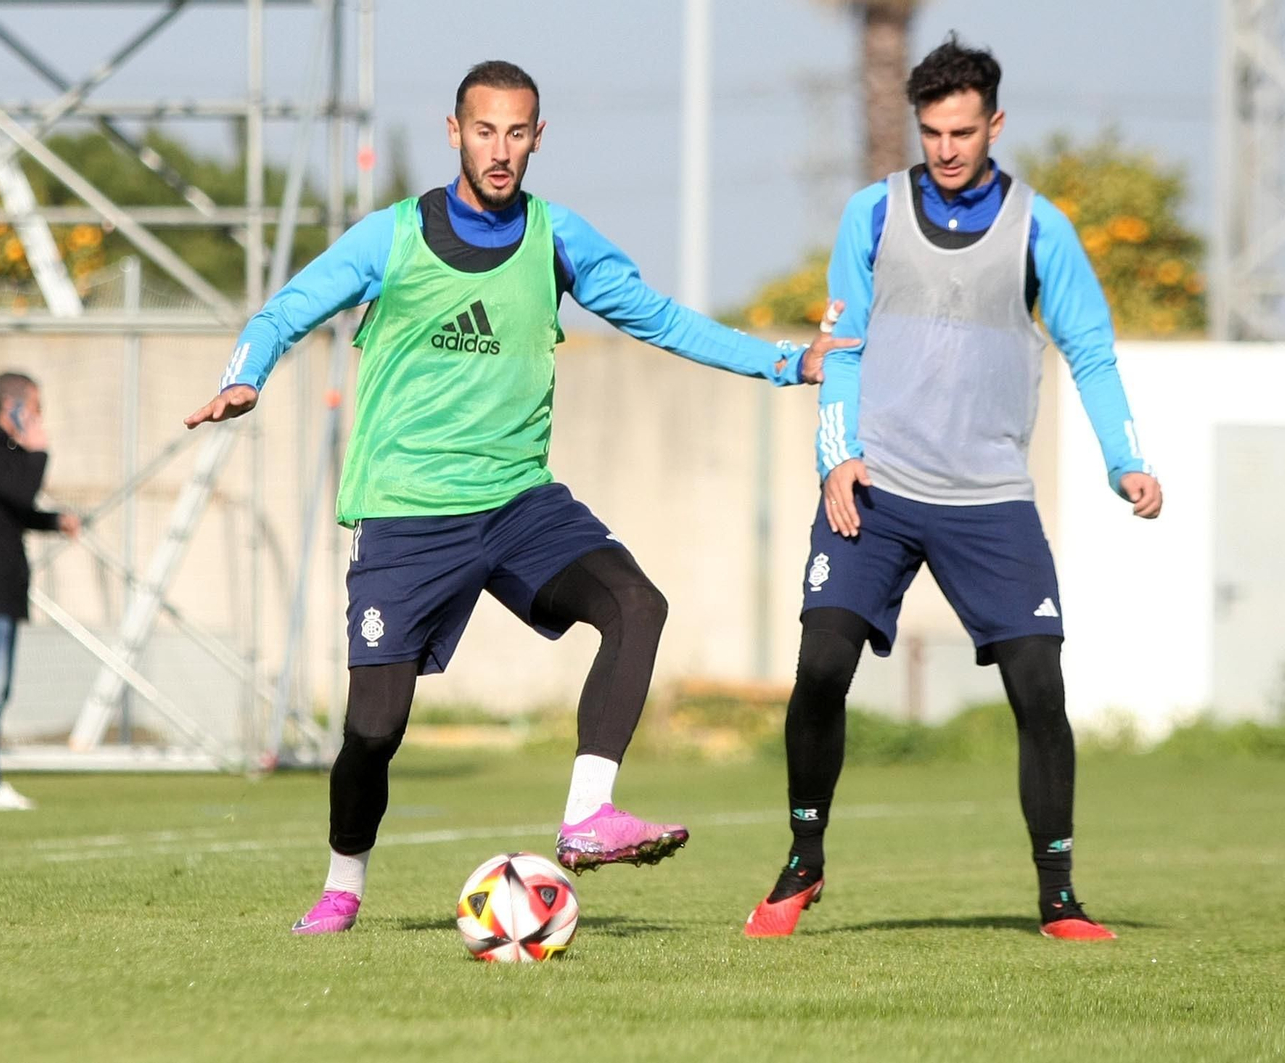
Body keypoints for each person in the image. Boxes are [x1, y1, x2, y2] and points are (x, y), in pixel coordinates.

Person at [185, 60, 855, 935]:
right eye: (485, 130)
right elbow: (283, 312)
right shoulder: (390, 237)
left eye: (517, 133)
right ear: (455, 131)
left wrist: (785, 361)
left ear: (538, 138)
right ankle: (344, 879)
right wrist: (247, 377)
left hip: (517, 502)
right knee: (374, 730)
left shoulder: (556, 236)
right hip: (407, 509)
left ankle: (587, 814)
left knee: (635, 603)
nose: (500, 151)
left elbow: (656, 315)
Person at [744, 35, 1162, 941]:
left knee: (1037, 688)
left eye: (962, 131)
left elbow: (1089, 349)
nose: (946, 148)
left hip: (990, 499)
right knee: (821, 667)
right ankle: (801, 861)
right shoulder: (872, 213)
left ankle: (1058, 897)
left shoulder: (1041, 228)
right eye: (932, 131)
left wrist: (1123, 457)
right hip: (878, 487)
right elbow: (844, 347)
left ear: (995, 124)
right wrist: (836, 456)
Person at [0, 372, 80, 811]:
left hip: (4, 587)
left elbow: (14, 510)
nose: (39, 418)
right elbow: (22, 489)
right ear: (15, 408)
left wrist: (54, 521)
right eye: (35, 408)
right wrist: (39, 448)